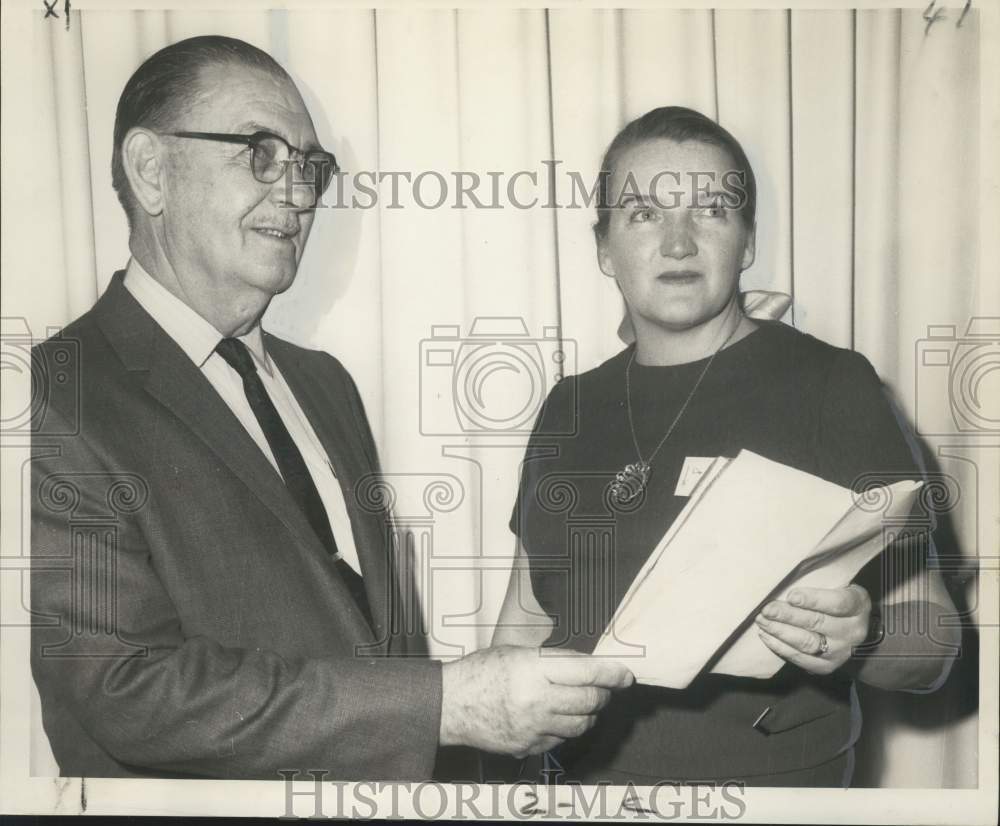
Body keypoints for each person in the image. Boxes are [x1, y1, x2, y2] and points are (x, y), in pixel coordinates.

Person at [29, 35, 632, 781]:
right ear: (151, 172)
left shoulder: (324, 386)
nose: (300, 194)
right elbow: (125, 690)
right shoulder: (56, 390)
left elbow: (381, 656)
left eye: (309, 165)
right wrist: (446, 705)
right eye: (259, 152)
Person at [493, 106, 960, 787]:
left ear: (745, 242)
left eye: (710, 210)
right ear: (603, 248)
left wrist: (868, 638)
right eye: (645, 214)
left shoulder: (832, 384)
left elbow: (937, 641)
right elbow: (525, 624)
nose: (678, 243)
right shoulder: (569, 405)